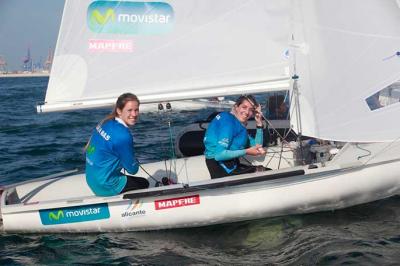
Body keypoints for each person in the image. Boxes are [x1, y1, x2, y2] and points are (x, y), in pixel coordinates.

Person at [85, 93, 149, 196]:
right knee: (144, 183)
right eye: (129, 110)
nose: (134, 114)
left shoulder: (106, 122)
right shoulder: (123, 135)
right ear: (119, 111)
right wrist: (133, 160)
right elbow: (133, 170)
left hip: (91, 178)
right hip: (105, 185)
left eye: (136, 110)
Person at [204, 94, 267, 179]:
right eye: (244, 107)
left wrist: (259, 123)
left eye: (251, 110)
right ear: (236, 107)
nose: (247, 112)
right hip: (221, 167)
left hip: (231, 164)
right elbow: (219, 155)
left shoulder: (238, 124)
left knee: (265, 171)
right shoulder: (228, 122)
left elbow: (258, 146)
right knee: (266, 173)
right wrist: (246, 151)